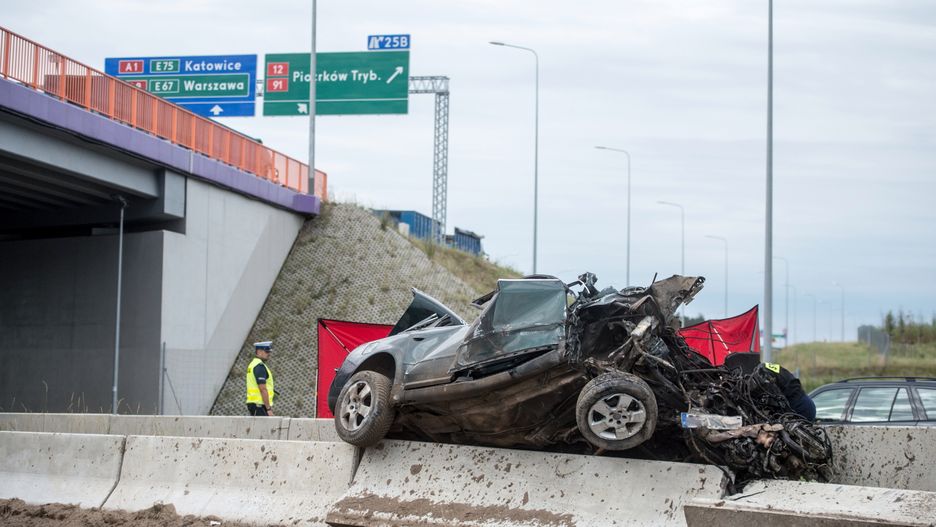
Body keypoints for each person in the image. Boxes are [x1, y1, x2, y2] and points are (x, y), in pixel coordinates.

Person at [246, 341, 276, 416]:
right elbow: (263, 389)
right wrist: (268, 409)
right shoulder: (259, 366)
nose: (268, 354)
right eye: (266, 351)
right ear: (259, 352)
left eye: (269, 351)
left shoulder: (253, 364)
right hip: (259, 405)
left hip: (255, 404)